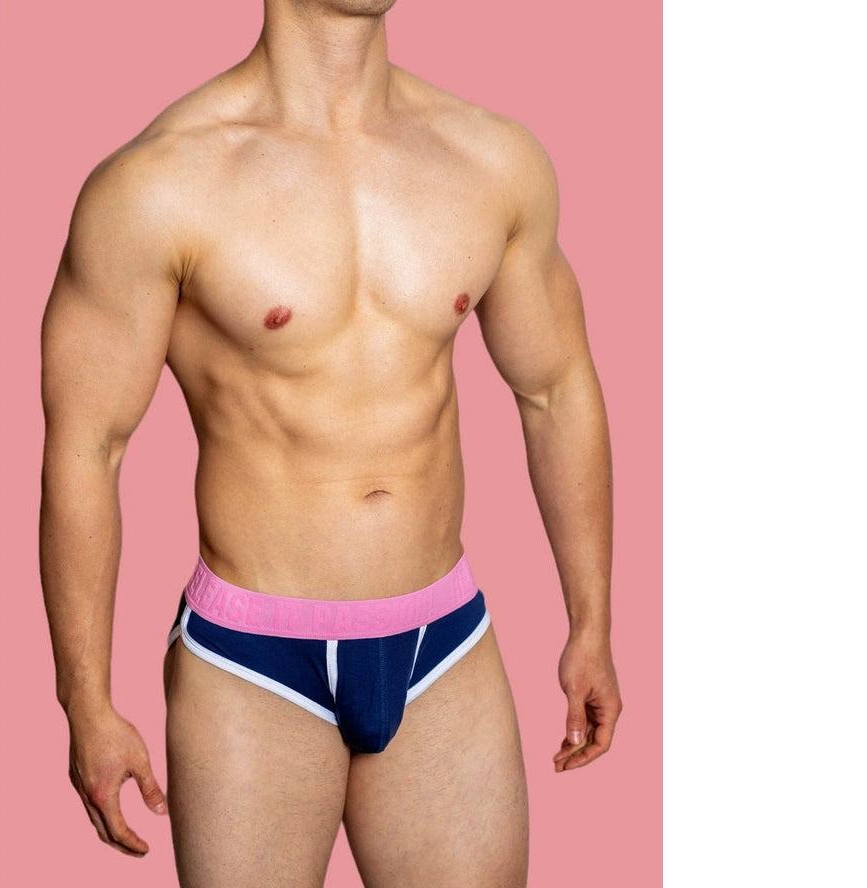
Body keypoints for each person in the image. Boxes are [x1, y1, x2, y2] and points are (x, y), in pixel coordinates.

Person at [39, 0, 622, 884]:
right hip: (252, 662)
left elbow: (555, 389)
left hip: (444, 644)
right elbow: (90, 450)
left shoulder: (488, 158)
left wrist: (591, 622)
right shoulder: (160, 184)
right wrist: (85, 701)